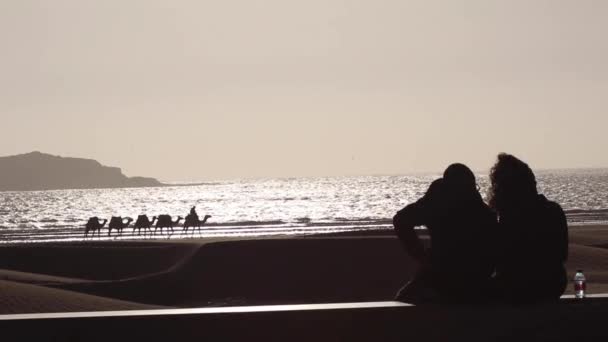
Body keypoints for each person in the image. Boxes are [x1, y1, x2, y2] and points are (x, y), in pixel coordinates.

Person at [393, 163, 497, 304]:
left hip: (440, 277)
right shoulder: (483, 212)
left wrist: (421, 256)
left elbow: (401, 220)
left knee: (402, 300)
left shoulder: (436, 202)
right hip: (474, 281)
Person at [488, 153, 568, 303]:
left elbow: (502, 260)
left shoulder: (511, 216)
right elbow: (562, 254)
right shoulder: (554, 210)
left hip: (520, 287)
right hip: (554, 284)